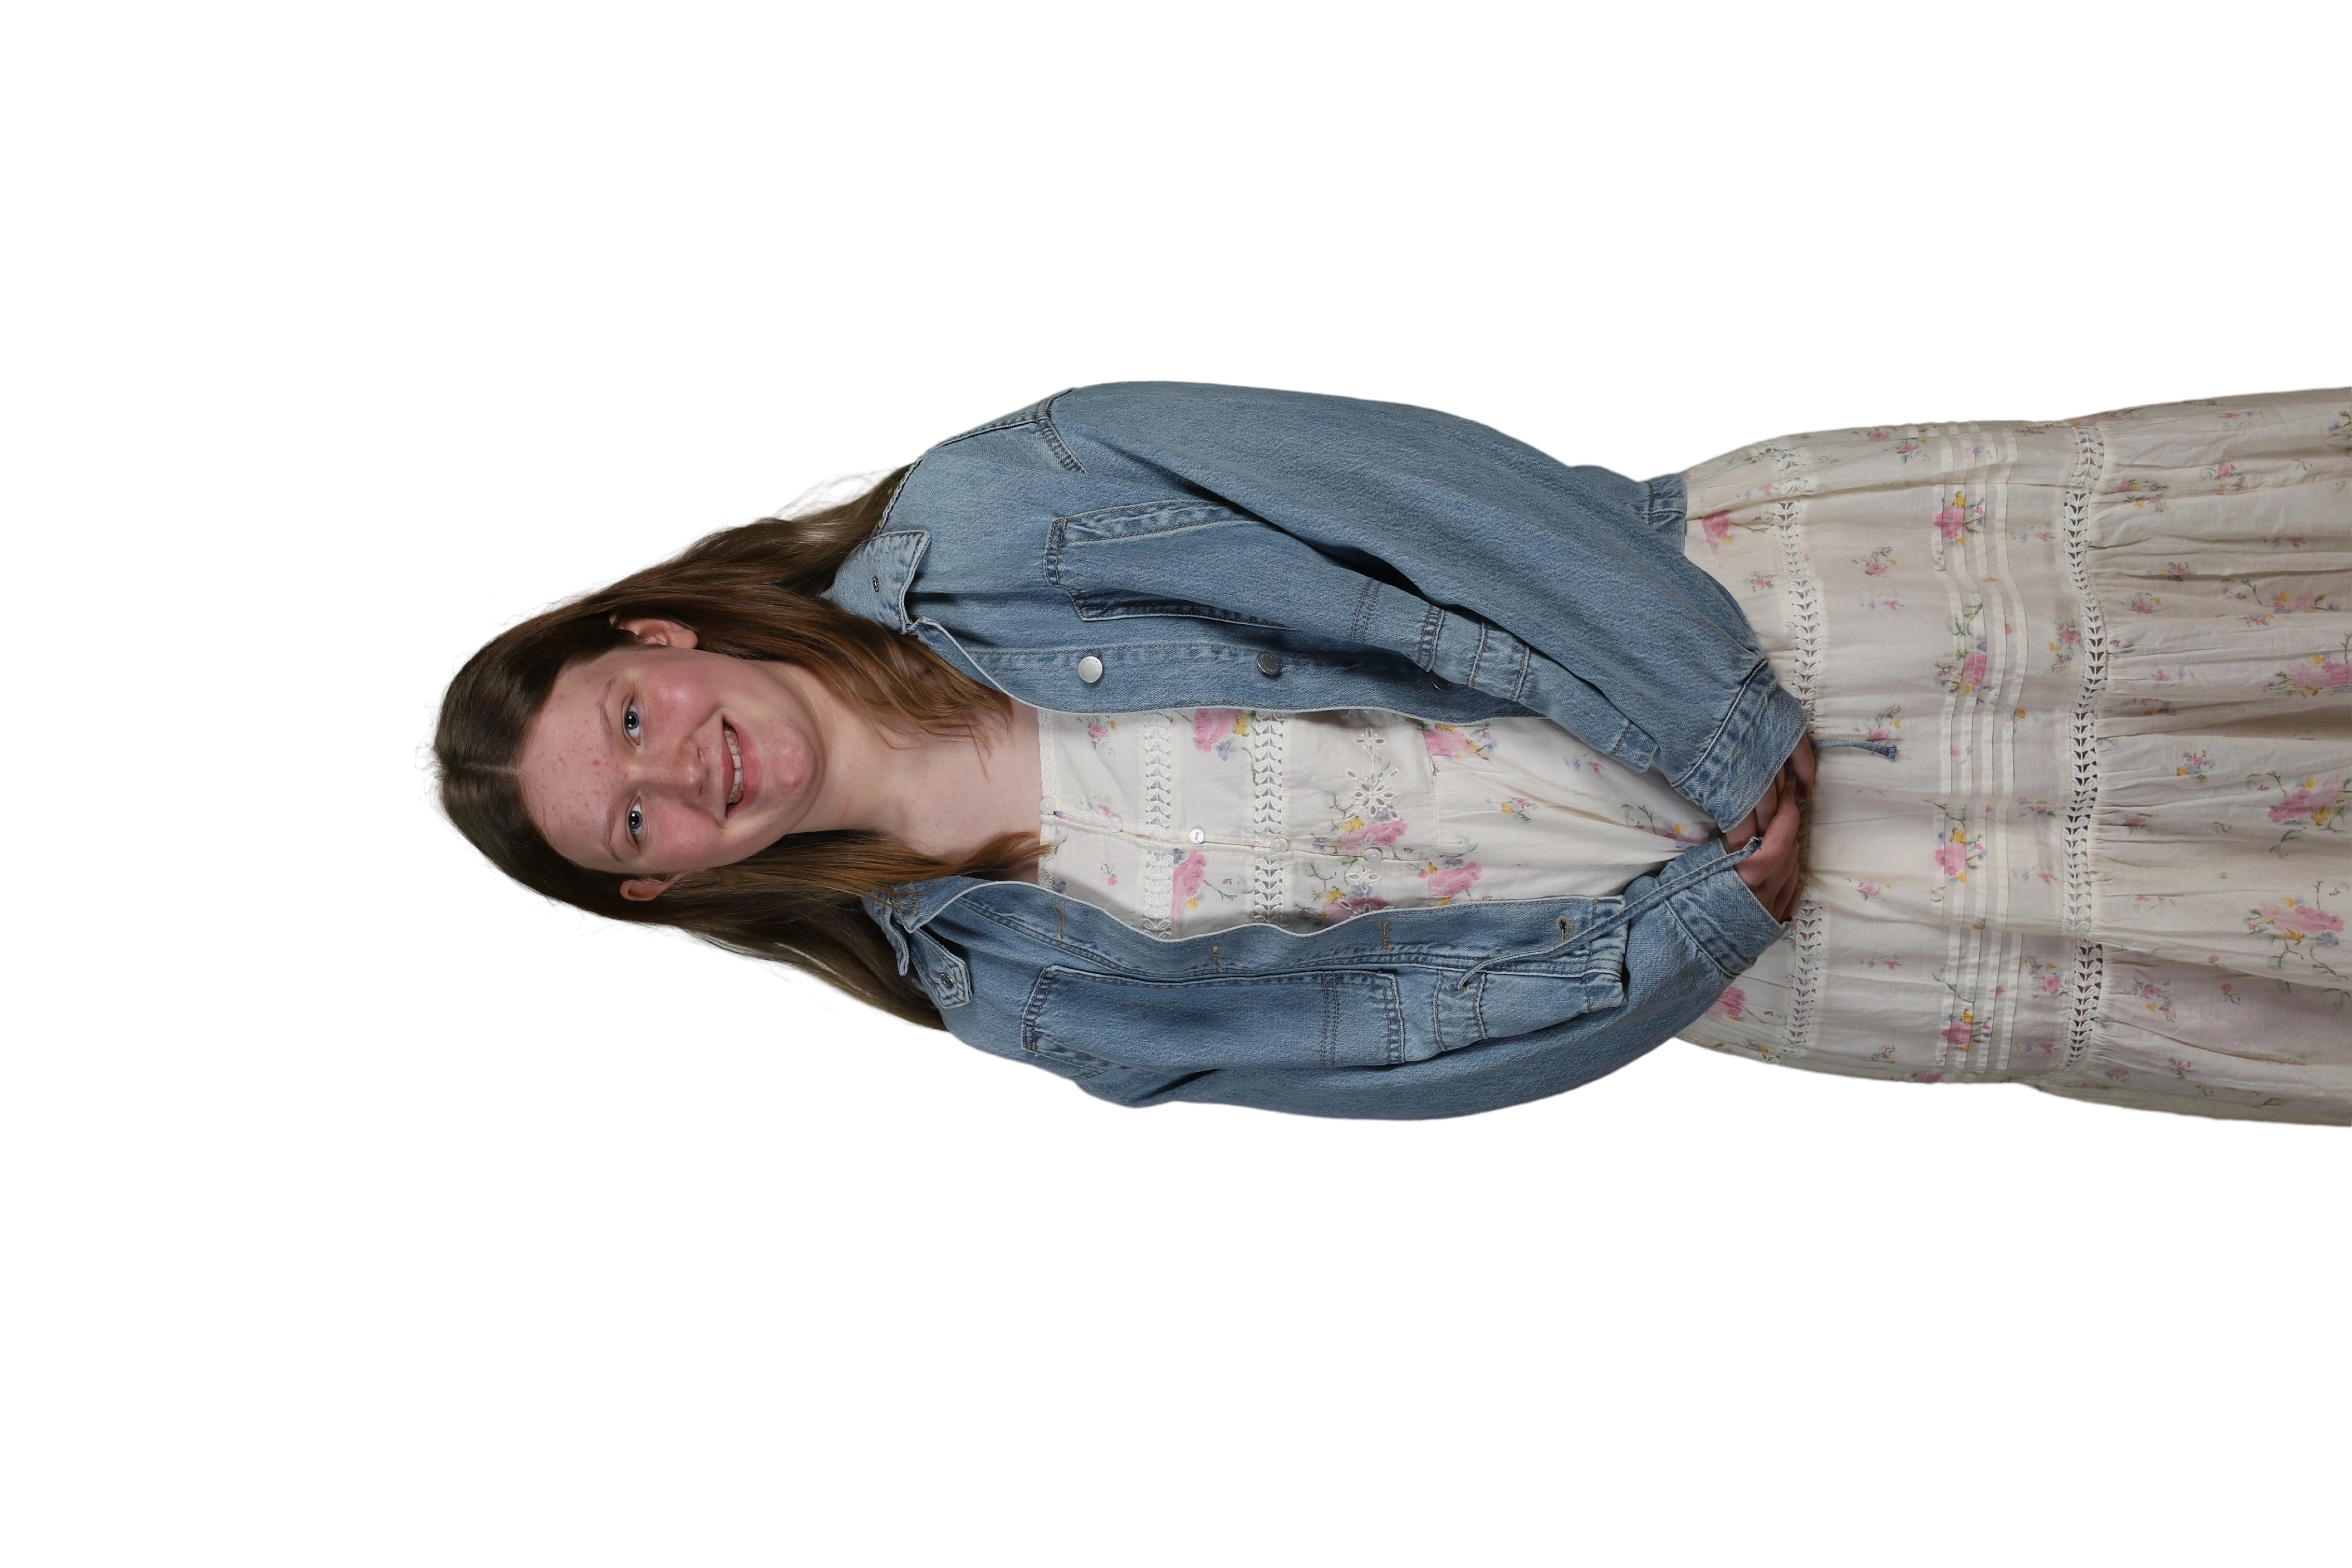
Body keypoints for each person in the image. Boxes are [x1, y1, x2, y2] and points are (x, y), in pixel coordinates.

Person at [413, 378, 2351, 1127]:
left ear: (652, 632)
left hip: (1787, 623)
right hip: (1803, 925)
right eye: (636, 817)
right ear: (664, 882)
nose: (686, 768)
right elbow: (1391, 1055)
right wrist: (1699, 932)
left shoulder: (1004, 504)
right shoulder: (1011, 999)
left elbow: (1414, 496)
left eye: (632, 721)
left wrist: (1711, 716)